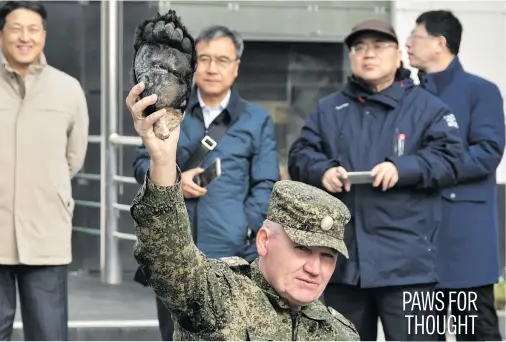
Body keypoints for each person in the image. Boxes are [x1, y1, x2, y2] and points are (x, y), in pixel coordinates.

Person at [126, 82, 360, 341]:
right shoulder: (217, 298)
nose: (315, 269)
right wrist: (163, 163)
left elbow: (264, 181)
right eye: (302, 248)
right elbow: (168, 260)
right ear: (264, 240)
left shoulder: (338, 334)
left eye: (327, 256)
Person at [287, 19, 464, 341]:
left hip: (409, 265)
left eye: (380, 45)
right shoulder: (329, 108)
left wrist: (405, 168)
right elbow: (300, 155)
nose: (369, 54)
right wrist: (322, 170)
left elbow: (451, 160)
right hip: (342, 263)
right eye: (360, 47)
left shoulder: (429, 108)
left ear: (398, 55)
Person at [132, 25, 279, 340]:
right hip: (173, 250)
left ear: (236, 67)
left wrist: (246, 226)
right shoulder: (167, 107)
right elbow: (141, 161)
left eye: (222, 60)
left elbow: (267, 182)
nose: (212, 68)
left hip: (235, 255)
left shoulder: (256, 119)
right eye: (205, 59)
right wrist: (175, 181)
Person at [0, 1, 89, 340]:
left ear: (44, 35)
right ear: (0, 34)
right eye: (16, 28)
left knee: (49, 335)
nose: (24, 37)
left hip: (46, 233)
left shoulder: (68, 90)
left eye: (33, 29)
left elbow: (74, 157)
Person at [406, 10, 505, 341]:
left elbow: (488, 153)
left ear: (439, 43)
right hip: (417, 242)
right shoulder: (408, 95)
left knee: (476, 334)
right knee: (422, 335)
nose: (407, 44)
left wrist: (428, 168)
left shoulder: (481, 91)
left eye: (414, 37)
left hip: (466, 242)